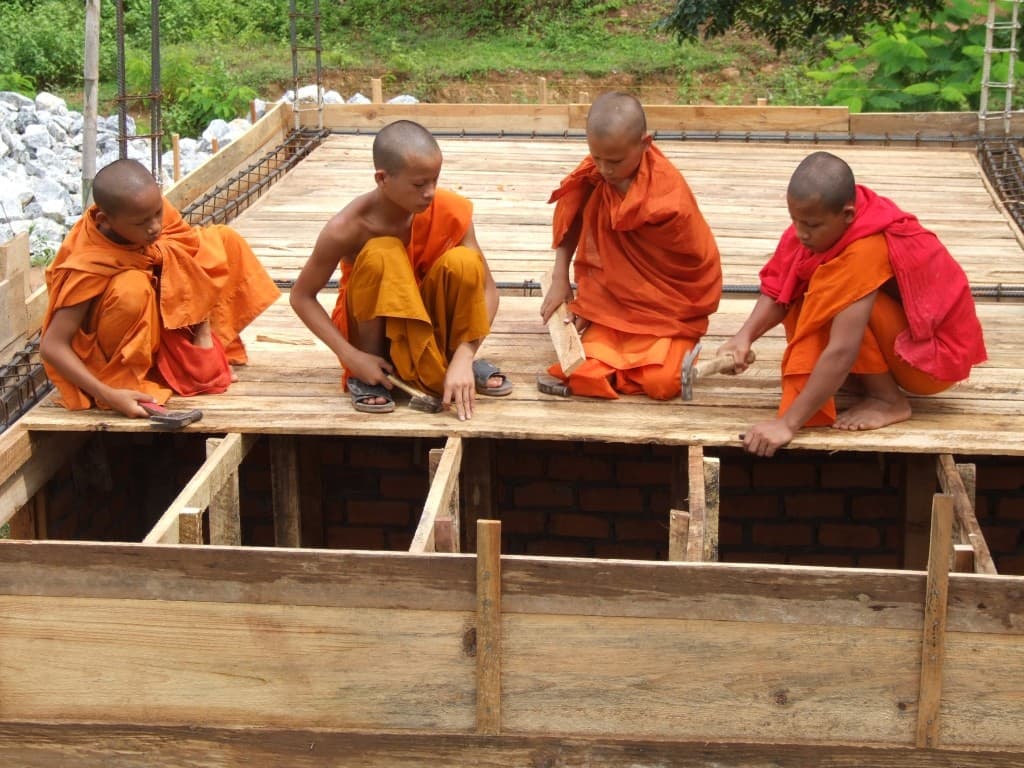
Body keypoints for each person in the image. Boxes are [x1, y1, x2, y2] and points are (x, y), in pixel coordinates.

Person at [719, 151, 987, 457]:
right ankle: (869, 384)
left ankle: (888, 400)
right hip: (900, 344)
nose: (800, 233)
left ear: (847, 215)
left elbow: (843, 349)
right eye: (794, 220)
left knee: (839, 299)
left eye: (810, 225)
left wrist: (788, 424)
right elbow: (781, 287)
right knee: (812, 291)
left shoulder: (865, 247)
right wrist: (744, 336)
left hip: (930, 363)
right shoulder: (820, 224)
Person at [290, 119, 510, 421]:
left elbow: (488, 290)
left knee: (464, 262)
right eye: (419, 184)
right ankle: (371, 376)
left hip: (432, 328)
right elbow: (301, 297)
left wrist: (466, 353)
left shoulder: (449, 209)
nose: (430, 193)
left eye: (435, 179)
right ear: (382, 178)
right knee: (383, 253)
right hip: (373, 341)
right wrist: (351, 356)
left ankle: (450, 363)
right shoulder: (347, 228)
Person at [41, 159, 280, 417]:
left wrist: (201, 323)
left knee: (223, 241)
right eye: (141, 222)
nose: (154, 227)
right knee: (132, 287)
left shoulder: (150, 217)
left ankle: (181, 362)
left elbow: (185, 256)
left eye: (157, 213)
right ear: (104, 219)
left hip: (162, 322)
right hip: (112, 352)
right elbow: (52, 346)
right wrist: (106, 394)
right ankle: (132, 377)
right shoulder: (87, 260)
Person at [539, 91, 722, 400]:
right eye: (597, 157)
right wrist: (560, 278)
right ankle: (621, 362)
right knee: (583, 374)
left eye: (615, 161)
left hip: (668, 310)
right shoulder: (596, 174)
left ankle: (645, 362)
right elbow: (572, 218)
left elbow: (693, 265)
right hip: (613, 304)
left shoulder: (668, 197)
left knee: (662, 384)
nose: (605, 169)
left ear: (645, 143)